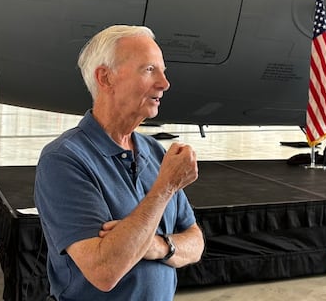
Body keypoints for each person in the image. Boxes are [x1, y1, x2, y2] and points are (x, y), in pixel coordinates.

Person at [34, 25, 204, 300]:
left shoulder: (155, 151)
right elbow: (104, 270)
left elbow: (195, 242)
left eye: (163, 71)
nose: (164, 83)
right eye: (149, 69)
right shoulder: (64, 159)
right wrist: (165, 187)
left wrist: (157, 246)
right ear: (105, 78)